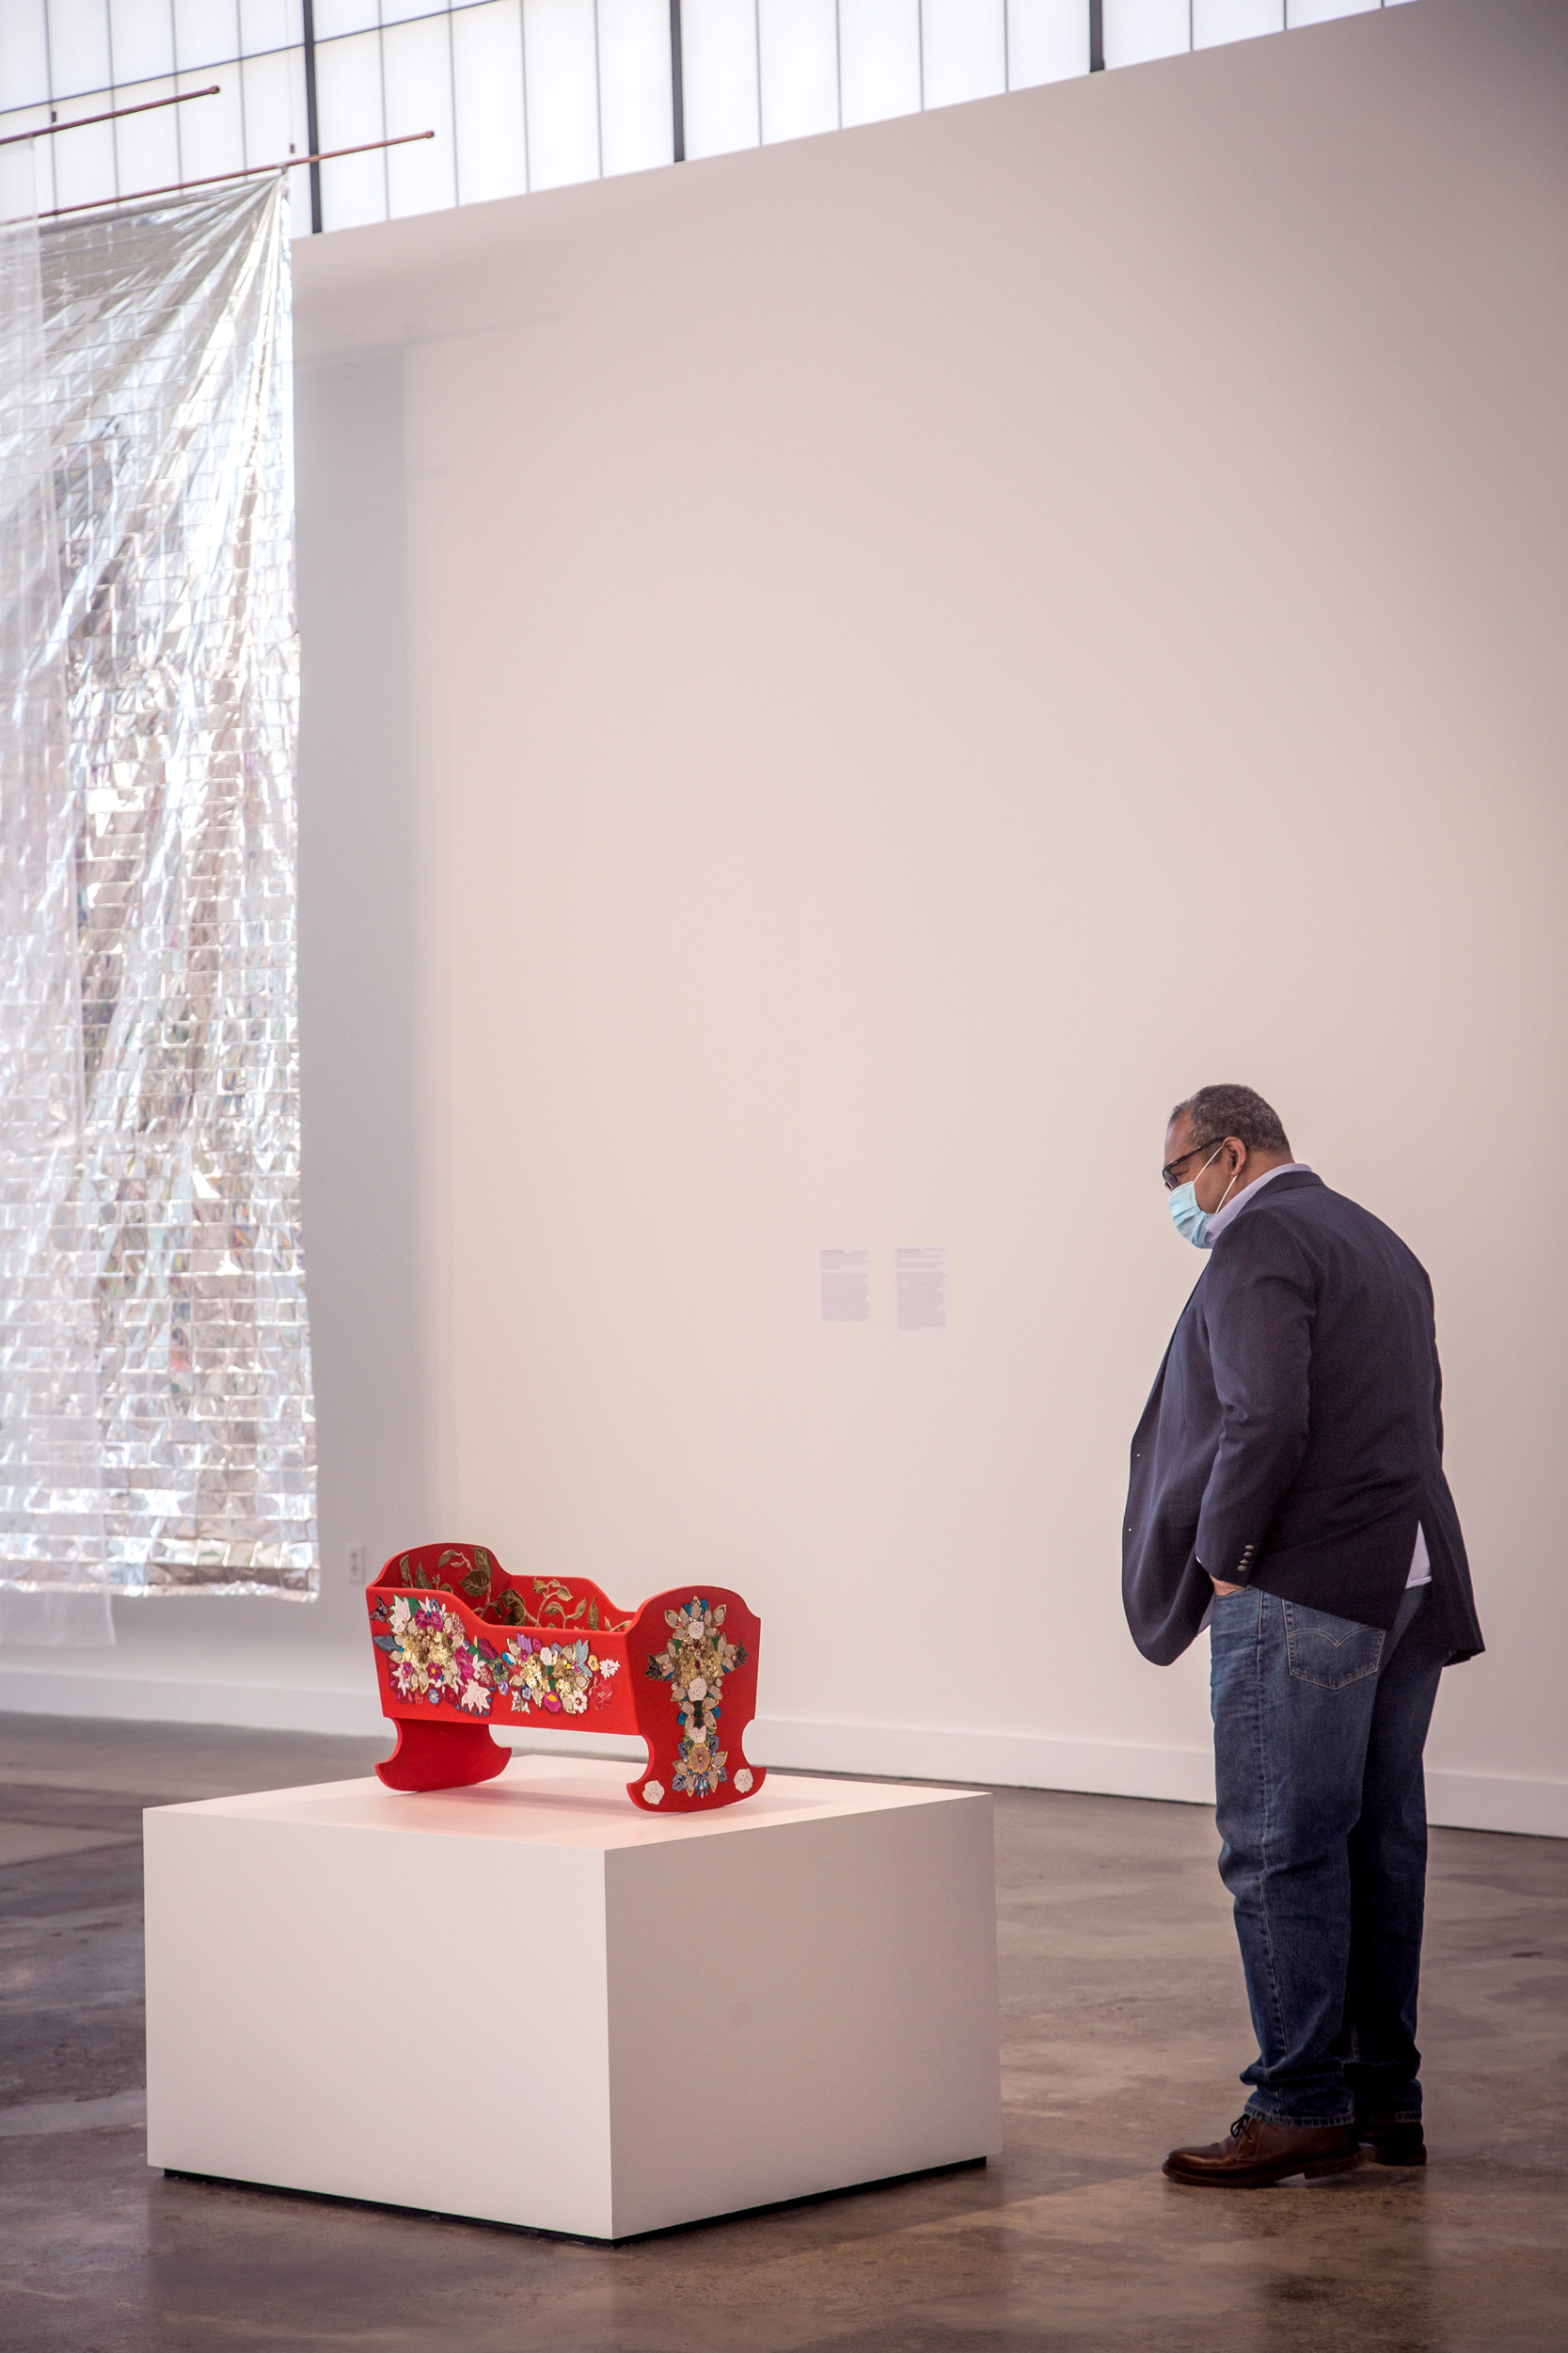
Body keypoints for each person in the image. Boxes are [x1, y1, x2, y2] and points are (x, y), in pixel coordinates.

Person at [1122, 1083, 1483, 2188]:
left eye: (1177, 1173)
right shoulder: (1375, 1239)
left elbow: (1262, 1413)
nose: (1178, 1198)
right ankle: (1384, 2098)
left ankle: (1297, 2103)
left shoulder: (1257, 1241)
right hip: (1408, 1574)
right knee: (1377, 1841)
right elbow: (1411, 1409)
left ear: (1229, 1153)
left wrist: (1226, 1555)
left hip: (1306, 1586)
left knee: (1277, 1844)